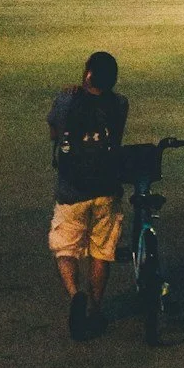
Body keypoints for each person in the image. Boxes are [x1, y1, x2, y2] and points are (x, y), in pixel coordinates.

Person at [47, 51, 129, 339]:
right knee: (100, 253)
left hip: (72, 190)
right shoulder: (120, 104)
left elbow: (53, 133)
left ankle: (75, 295)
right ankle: (95, 308)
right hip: (106, 189)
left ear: (87, 74)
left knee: (66, 250)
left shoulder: (66, 100)